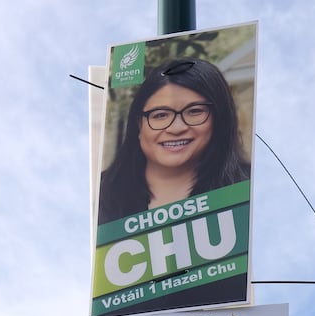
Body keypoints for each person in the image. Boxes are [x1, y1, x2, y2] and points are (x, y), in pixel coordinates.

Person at [98, 57, 250, 224]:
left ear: (220, 118)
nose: (177, 128)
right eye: (160, 115)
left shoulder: (248, 190)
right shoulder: (99, 192)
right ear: (139, 125)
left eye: (194, 111)